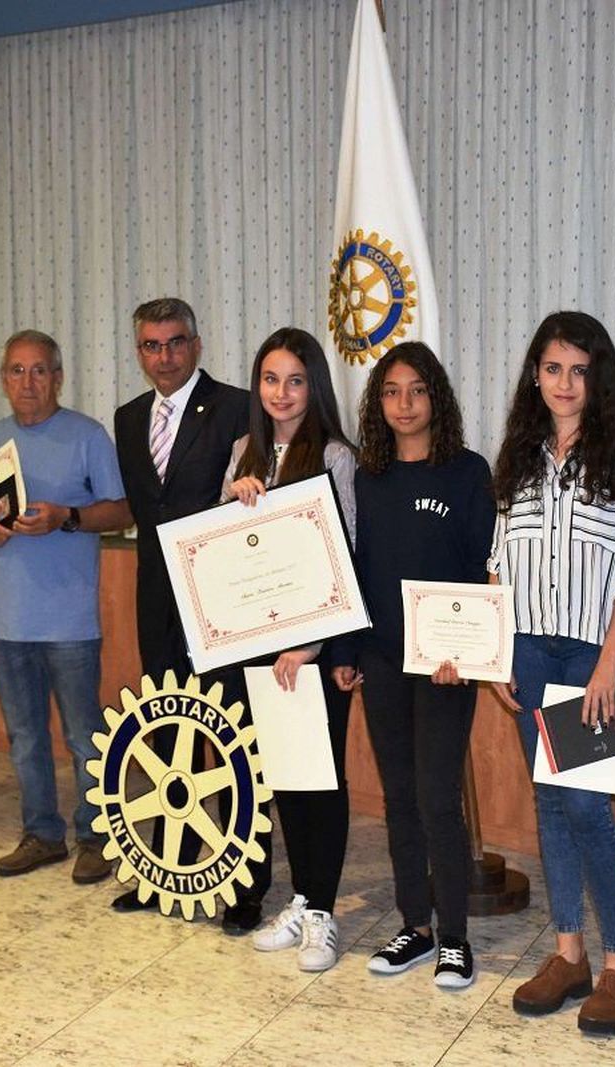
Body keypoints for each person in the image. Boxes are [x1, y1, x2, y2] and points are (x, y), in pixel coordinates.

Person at [488, 312, 615, 1033]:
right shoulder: (519, 454)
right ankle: (567, 953)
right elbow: (499, 560)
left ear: (598, 377)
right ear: (536, 375)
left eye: (579, 370)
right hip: (529, 648)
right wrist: (498, 650)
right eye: (553, 368)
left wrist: (611, 662)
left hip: (594, 654)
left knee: (586, 804)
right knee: (550, 799)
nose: (565, 383)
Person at [332, 341, 495, 990]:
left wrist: (473, 654)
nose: (404, 404)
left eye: (417, 390)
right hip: (382, 658)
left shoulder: (468, 472)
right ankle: (416, 927)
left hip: (447, 665)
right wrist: (347, 652)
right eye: (392, 392)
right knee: (399, 797)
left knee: (436, 797)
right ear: (378, 403)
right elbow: (354, 569)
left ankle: (454, 935)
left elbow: (485, 570)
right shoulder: (368, 476)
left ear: (438, 398)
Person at [111, 297, 272, 932]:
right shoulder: (127, 419)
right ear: (139, 352)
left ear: (196, 346)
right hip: (156, 599)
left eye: (176, 343)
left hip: (222, 602)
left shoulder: (237, 407)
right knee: (164, 738)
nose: (165, 356)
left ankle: (245, 885)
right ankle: (166, 871)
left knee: (232, 742)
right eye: (151, 345)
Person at [0, 330, 131, 882]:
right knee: (25, 736)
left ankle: (97, 836)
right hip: (5, 618)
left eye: (39, 371)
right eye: (16, 371)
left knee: (83, 736)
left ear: (57, 377)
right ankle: (41, 834)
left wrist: (66, 517)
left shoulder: (88, 436)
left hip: (69, 620)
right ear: (3, 379)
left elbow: (121, 510)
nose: (27, 382)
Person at [222, 327, 357, 972]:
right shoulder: (242, 450)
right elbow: (222, 550)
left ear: (315, 387)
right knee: (279, 780)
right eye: (271, 380)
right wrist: (231, 502)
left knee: (318, 781)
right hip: (256, 650)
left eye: (295, 381)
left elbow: (347, 559)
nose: (282, 393)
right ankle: (302, 900)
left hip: (313, 655)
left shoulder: (335, 456)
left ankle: (324, 912)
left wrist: (310, 648)